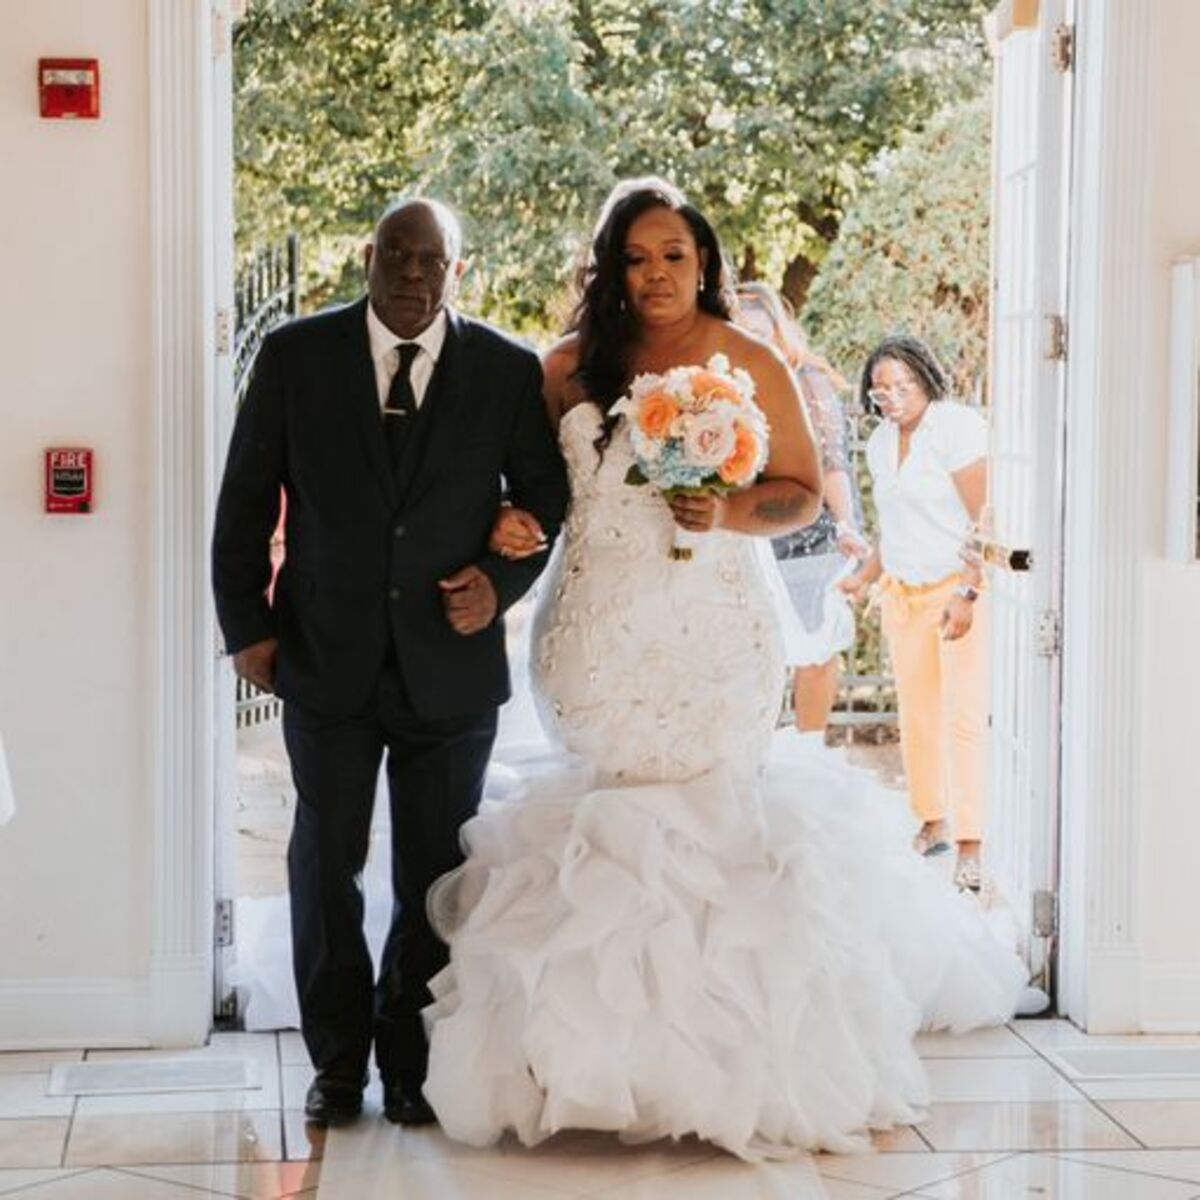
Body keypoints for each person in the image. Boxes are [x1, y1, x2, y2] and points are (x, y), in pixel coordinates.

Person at [421, 179, 1024, 1160]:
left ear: (704, 263)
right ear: (610, 270)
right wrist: (508, 519)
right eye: (636, 258)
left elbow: (801, 496)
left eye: (675, 255)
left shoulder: (749, 360)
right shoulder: (565, 367)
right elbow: (531, 487)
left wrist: (729, 511)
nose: (656, 275)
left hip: (716, 633)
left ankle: (733, 1068)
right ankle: (587, 1066)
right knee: (607, 809)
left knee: (715, 819)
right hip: (597, 632)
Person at [211, 198, 569, 1128]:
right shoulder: (295, 356)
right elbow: (244, 498)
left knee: (433, 874)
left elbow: (546, 495)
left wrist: (498, 581)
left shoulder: (504, 369)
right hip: (323, 658)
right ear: (369, 256)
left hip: (449, 669)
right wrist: (247, 626)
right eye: (398, 256)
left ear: (458, 272)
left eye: (431, 261)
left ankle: (410, 1062)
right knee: (324, 864)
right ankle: (336, 1065)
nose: (413, 274)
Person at [838, 335, 989, 892]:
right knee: (918, 716)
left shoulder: (956, 428)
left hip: (957, 591)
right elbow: (895, 527)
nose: (894, 397)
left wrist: (969, 592)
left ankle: (972, 843)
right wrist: (863, 576)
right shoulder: (881, 442)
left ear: (926, 379)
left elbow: (986, 517)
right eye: (882, 389)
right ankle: (934, 821)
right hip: (904, 594)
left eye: (904, 385)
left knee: (963, 718)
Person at [734, 281, 866, 746]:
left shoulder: (805, 377)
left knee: (816, 647)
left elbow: (832, 460)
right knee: (757, 648)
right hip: (755, 532)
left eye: (760, 332)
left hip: (812, 533)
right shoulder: (729, 383)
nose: (753, 341)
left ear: (779, 331)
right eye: (741, 332)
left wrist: (846, 526)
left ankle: (810, 748)